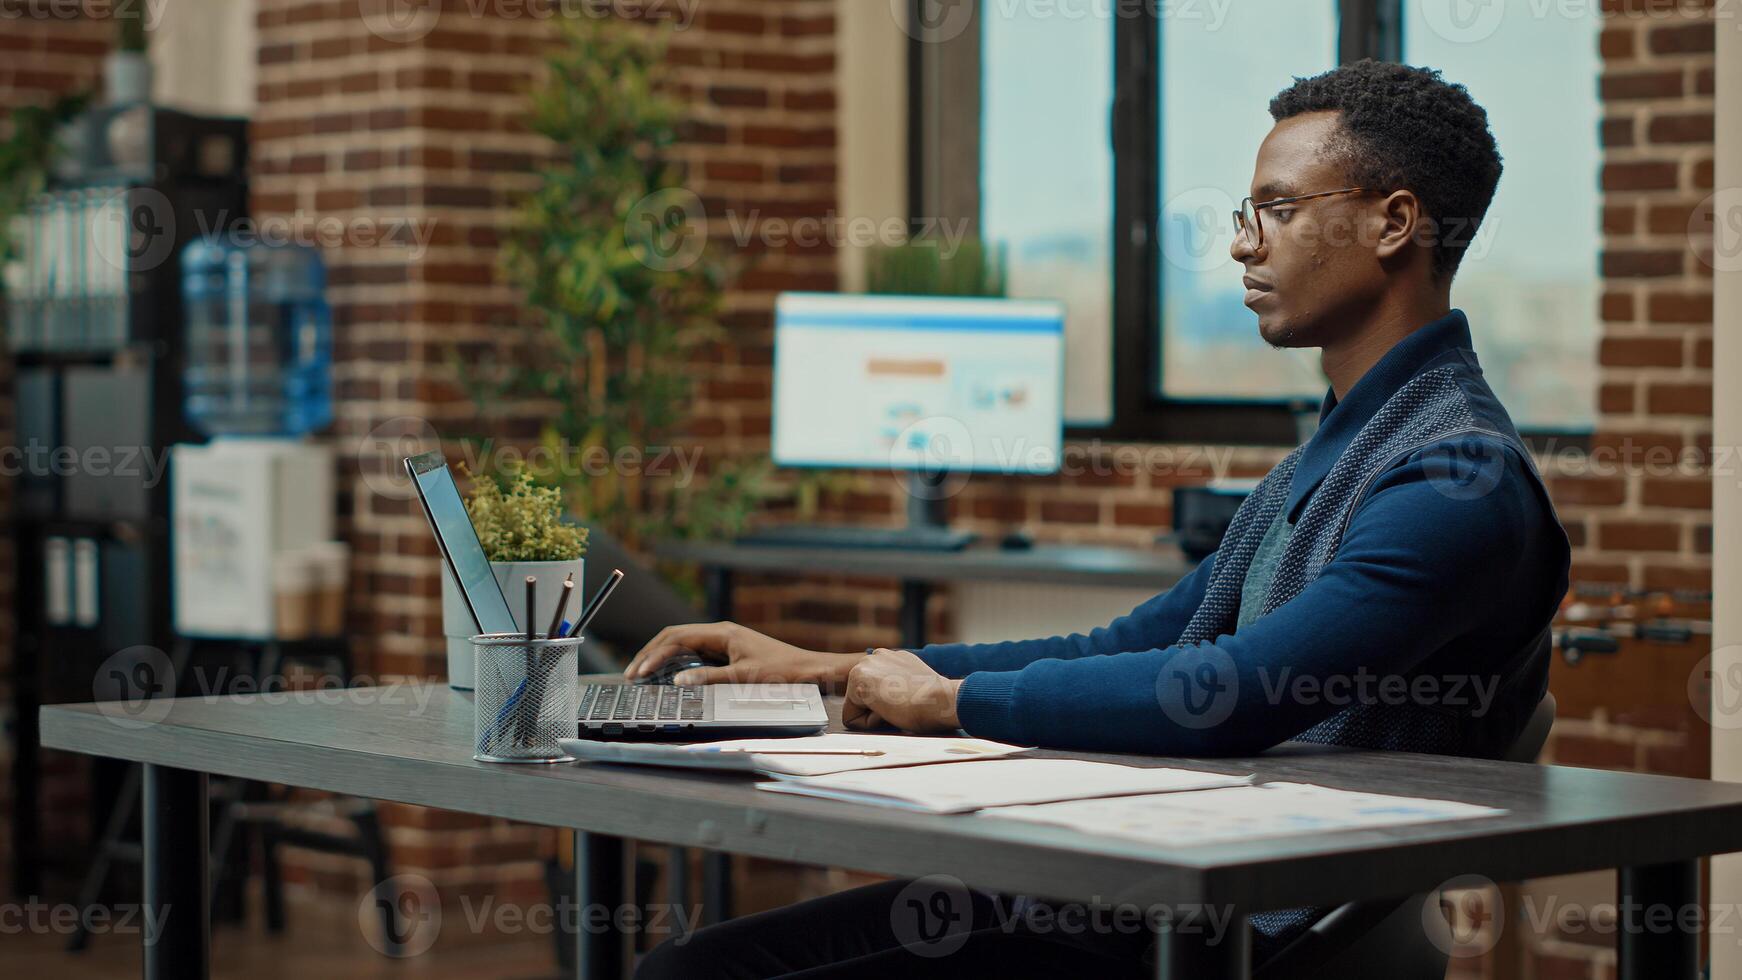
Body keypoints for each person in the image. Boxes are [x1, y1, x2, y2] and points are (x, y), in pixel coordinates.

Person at [626, 59, 1571, 978]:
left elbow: (1238, 689)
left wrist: (952, 704)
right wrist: (828, 668)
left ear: (1394, 222)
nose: (1245, 243)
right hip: (1152, 895)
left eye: (1278, 210)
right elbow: (1138, 640)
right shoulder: (1329, 457)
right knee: (694, 960)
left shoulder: (1457, 479)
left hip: (1223, 929)